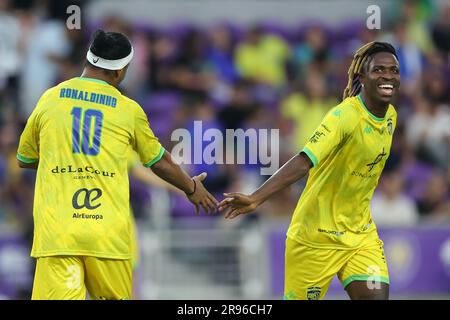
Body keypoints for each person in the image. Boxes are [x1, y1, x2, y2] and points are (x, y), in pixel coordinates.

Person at [16, 30, 218, 300]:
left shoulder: (50, 98)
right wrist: (192, 187)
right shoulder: (127, 109)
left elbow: (25, 158)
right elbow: (159, 161)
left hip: (58, 233)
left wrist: (65, 160)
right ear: (121, 71)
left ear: (88, 60)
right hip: (107, 234)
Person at [219, 42, 400, 300]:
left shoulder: (391, 116)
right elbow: (303, 161)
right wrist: (256, 197)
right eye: (378, 70)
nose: (388, 76)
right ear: (362, 77)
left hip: (360, 236)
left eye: (394, 70)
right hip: (315, 237)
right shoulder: (344, 116)